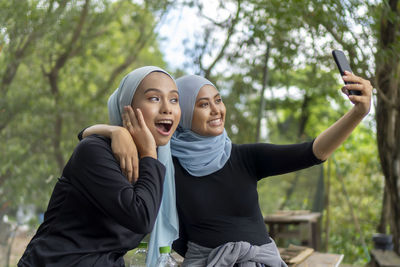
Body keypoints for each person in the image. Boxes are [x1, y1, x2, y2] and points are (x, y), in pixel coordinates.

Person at [82, 70, 372, 266]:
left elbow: (313, 152)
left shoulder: (245, 157)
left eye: (218, 101)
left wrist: (358, 113)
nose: (216, 110)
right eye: (203, 104)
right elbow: (87, 137)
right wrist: (112, 130)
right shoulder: (162, 162)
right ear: (182, 115)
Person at [18, 66, 181, 267]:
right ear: (127, 107)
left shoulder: (157, 164)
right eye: (154, 98)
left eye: (174, 99)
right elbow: (141, 218)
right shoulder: (96, 151)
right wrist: (148, 152)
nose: (167, 108)